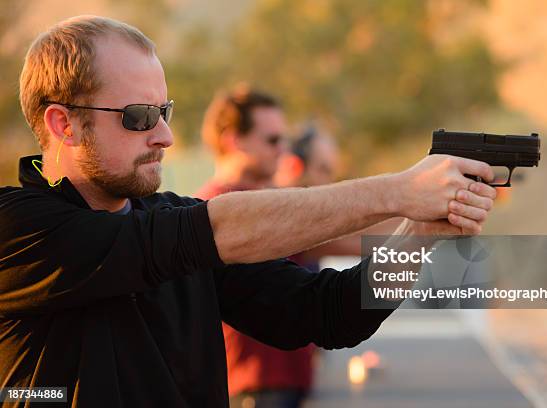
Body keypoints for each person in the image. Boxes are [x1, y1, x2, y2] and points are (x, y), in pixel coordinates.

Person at [0, 15, 497, 407]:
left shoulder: (171, 224)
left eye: (164, 112)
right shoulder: (17, 226)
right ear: (64, 124)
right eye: (139, 116)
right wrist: (398, 191)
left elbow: (330, 312)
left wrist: (419, 232)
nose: (165, 135)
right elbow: (201, 231)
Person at [197, 87, 317, 408]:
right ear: (234, 140)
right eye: (273, 140)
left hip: (273, 384)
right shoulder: (220, 206)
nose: (283, 150)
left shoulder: (260, 201)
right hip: (255, 387)